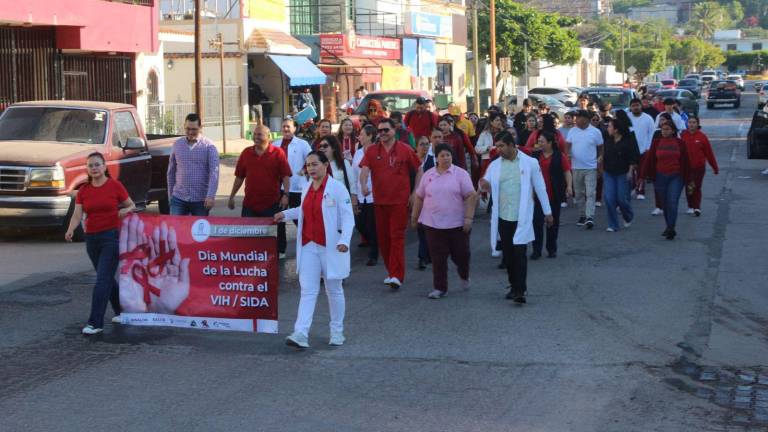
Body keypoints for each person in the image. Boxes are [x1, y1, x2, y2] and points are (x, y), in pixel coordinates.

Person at [276, 151, 355, 349]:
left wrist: (344, 240)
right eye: (308, 165)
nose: (311, 168)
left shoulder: (338, 189)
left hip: (331, 246)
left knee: (333, 290)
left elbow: (347, 218)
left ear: (326, 164)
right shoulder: (306, 187)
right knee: (308, 290)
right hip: (309, 245)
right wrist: (284, 214)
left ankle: (337, 331)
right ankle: (301, 333)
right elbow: (302, 211)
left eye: (314, 164)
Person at [479, 131, 553, 304]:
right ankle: (513, 285)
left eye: (501, 146)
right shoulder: (495, 165)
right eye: (496, 146)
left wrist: (548, 212)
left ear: (512, 145)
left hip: (522, 216)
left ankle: (520, 290)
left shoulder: (530, 163)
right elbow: (485, 183)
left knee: (520, 252)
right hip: (504, 216)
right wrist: (484, 185)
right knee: (509, 255)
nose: (498, 150)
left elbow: (540, 187)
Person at [65, 152, 135, 335]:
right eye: (90, 166)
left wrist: (125, 210)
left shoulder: (115, 186)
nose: (94, 168)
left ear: (104, 167)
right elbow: (77, 214)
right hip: (92, 239)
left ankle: (95, 323)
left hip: (111, 237)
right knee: (107, 278)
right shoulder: (84, 191)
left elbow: (131, 204)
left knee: (102, 280)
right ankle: (122, 311)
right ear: (87, 169)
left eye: (97, 165)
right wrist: (71, 229)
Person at [359, 118, 421, 290]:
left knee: (396, 237)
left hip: (399, 202)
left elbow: (419, 169)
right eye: (380, 131)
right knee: (384, 240)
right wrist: (364, 185)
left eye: (386, 130)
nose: (383, 133)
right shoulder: (372, 151)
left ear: (394, 131)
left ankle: (396, 275)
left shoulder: (405, 149)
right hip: (379, 201)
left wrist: (415, 192)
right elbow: (364, 170)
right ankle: (391, 272)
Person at [411, 143, 477, 299]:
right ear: (436, 158)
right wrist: (414, 218)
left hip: (457, 224)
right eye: (442, 155)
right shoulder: (429, 175)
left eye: (448, 155)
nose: (446, 158)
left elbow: (471, 195)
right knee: (437, 257)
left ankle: (464, 275)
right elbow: (419, 197)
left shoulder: (460, 174)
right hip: (433, 224)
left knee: (462, 255)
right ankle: (440, 287)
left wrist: (468, 218)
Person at [228, 125, 292, 255]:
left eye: (259, 135)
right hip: (250, 204)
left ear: (268, 137)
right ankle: (251, 256)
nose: (256, 137)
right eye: (254, 134)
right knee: (248, 235)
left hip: (272, 203)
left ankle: (280, 254)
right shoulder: (246, 153)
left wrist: (286, 194)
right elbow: (239, 177)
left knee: (277, 231)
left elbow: (285, 175)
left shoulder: (278, 153)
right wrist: (232, 196)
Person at [641, 120, 692, 240]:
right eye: (663, 129)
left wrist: (689, 179)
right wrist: (642, 176)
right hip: (660, 177)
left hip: (676, 176)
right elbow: (649, 160)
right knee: (664, 203)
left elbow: (686, 162)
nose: (665, 131)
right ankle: (669, 226)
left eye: (667, 129)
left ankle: (671, 227)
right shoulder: (656, 143)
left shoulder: (680, 144)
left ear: (673, 130)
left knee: (672, 201)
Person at [166, 113, 219, 216]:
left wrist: (210, 196)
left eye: (194, 129)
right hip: (178, 199)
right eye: (187, 129)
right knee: (176, 230)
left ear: (200, 128)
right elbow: (171, 172)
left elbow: (214, 173)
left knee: (198, 232)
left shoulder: (209, 146)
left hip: (200, 200)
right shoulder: (177, 145)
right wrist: (170, 196)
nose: (190, 132)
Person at [530, 131, 572, 259]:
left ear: (550, 143)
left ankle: (551, 248)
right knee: (536, 223)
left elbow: (567, 172)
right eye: (539, 141)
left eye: (542, 141)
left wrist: (569, 186)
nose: (539, 144)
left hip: (554, 194)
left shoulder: (560, 156)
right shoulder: (535, 156)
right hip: (537, 195)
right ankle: (536, 250)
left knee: (552, 223)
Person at [273, 118, 313, 248]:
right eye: (283, 126)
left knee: (299, 218)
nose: (285, 129)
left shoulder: (303, 144)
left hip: (297, 188)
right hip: (279, 188)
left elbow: (311, 161)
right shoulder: (275, 144)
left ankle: (310, 242)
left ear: (295, 128)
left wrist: (303, 170)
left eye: (288, 127)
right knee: (280, 219)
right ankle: (281, 249)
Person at [567, 110, 604, 229]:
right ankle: (582, 215)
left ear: (586, 119)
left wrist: (599, 162)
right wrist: (567, 153)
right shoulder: (572, 131)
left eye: (578, 117)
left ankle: (589, 217)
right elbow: (567, 145)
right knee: (578, 194)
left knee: (590, 193)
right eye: (576, 118)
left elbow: (601, 148)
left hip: (591, 167)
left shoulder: (595, 132)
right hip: (576, 167)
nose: (576, 120)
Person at [602, 117, 640, 232]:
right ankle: (613, 224)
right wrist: (601, 158)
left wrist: (630, 172)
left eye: (609, 126)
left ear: (616, 129)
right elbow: (605, 153)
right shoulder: (608, 140)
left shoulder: (627, 141)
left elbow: (633, 158)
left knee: (622, 199)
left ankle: (628, 215)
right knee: (609, 198)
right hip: (608, 172)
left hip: (623, 173)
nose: (607, 128)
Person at [351, 125, 379, 266]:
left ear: (370, 136)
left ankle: (373, 254)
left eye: (362, 135)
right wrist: (354, 195)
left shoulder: (378, 152)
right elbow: (354, 174)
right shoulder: (358, 152)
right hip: (361, 194)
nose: (359, 137)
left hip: (375, 194)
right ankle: (376, 242)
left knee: (372, 224)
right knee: (360, 223)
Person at [681, 115, 718, 216]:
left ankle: (697, 207)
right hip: (687, 168)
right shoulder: (683, 136)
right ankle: (690, 206)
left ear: (697, 124)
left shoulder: (702, 137)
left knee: (697, 187)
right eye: (690, 122)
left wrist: (715, 167)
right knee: (689, 187)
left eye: (694, 122)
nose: (691, 124)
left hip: (699, 168)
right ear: (687, 124)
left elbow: (709, 153)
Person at [316, 135, 359, 212]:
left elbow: (352, 184)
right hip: (324, 206)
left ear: (333, 148)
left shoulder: (344, 163)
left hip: (342, 203)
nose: (322, 148)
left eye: (325, 146)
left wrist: (353, 202)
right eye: (320, 146)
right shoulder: (317, 166)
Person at [627, 98, 656, 200]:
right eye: (633, 106)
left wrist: (648, 147)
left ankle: (640, 191)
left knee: (642, 172)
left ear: (641, 106)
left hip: (644, 149)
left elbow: (652, 134)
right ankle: (632, 188)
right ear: (630, 107)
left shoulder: (648, 118)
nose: (635, 107)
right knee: (631, 171)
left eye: (637, 105)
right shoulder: (627, 117)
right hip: (630, 150)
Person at [475, 112, 505, 176]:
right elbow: (477, 149)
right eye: (497, 120)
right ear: (491, 122)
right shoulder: (484, 134)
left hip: (502, 160)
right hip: (487, 160)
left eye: (500, 120)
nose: (499, 122)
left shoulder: (504, 133)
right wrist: (487, 148)